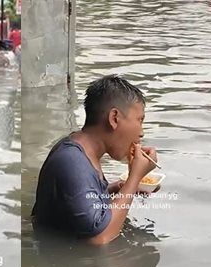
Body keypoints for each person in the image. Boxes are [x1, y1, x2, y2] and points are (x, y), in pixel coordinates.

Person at [32, 75, 158, 245]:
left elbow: (84, 200)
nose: (141, 132)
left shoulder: (83, 151)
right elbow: (100, 237)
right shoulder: (71, 161)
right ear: (114, 118)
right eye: (139, 120)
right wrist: (134, 178)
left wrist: (118, 188)